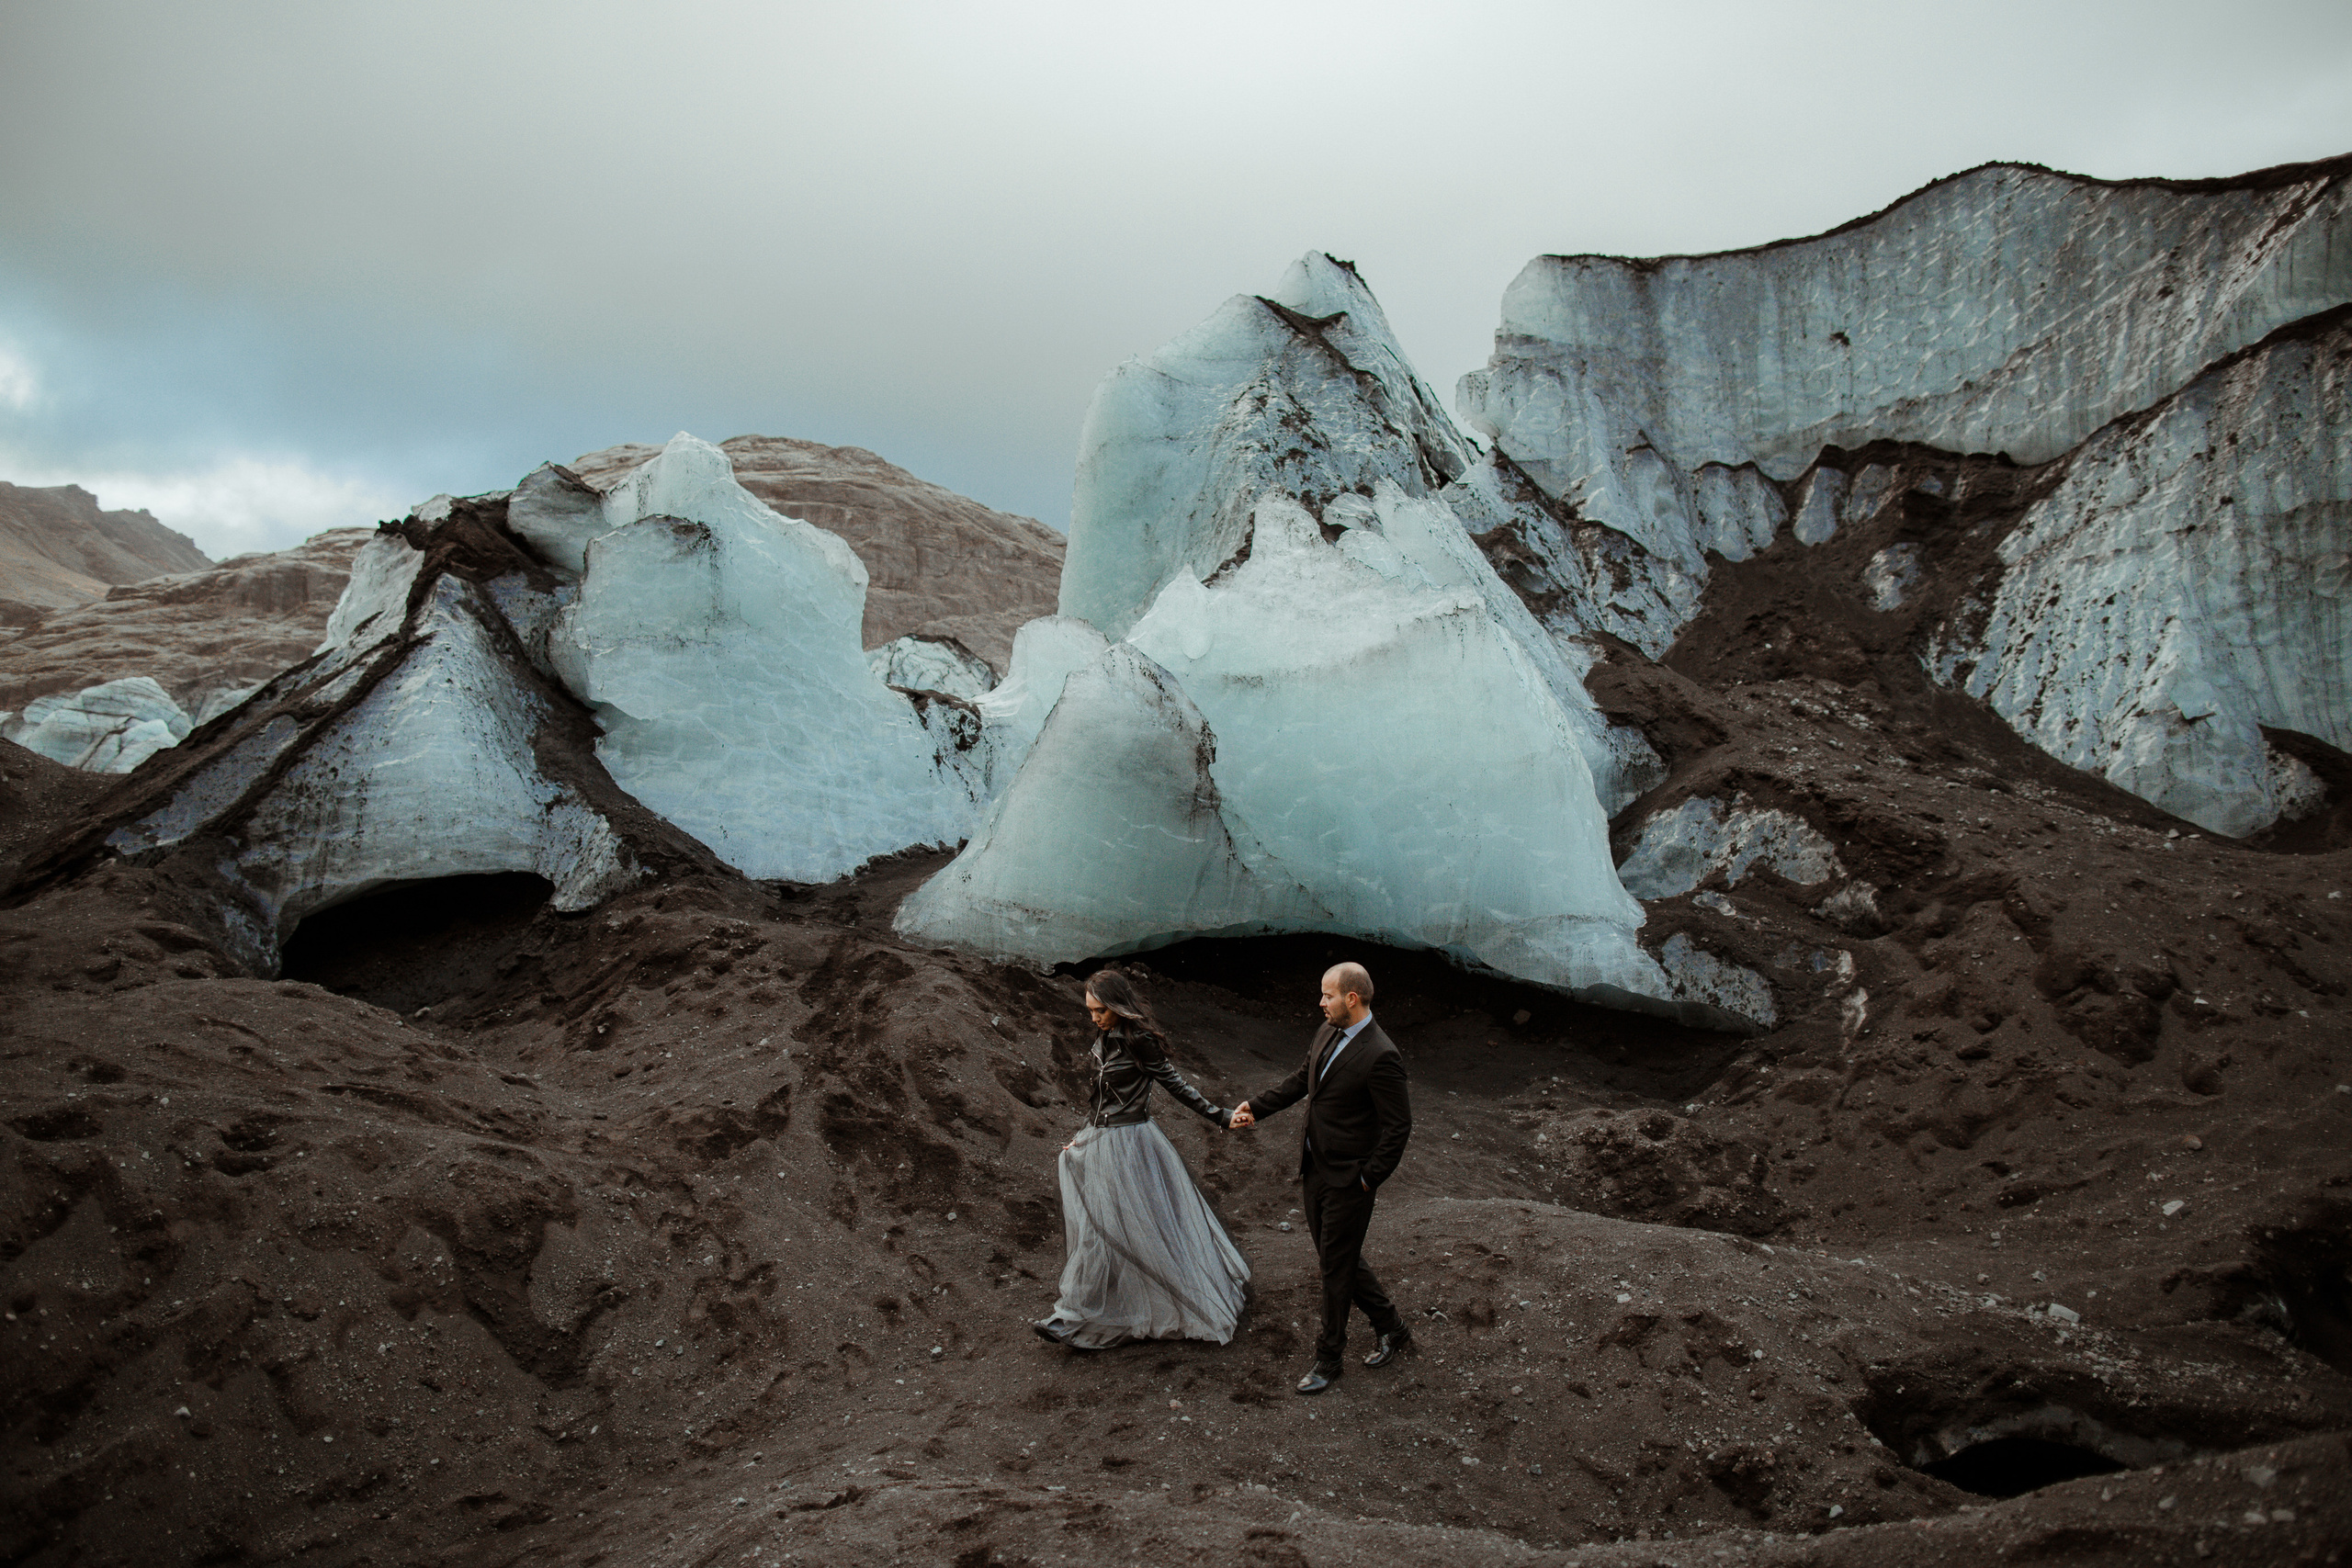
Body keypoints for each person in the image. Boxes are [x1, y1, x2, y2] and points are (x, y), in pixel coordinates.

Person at [1034, 969, 1250, 1350]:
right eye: (1090, 1011)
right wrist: (1082, 1138)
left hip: (1133, 1145)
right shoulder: (1103, 1036)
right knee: (1099, 1228)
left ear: (1118, 1006)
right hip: (1102, 1141)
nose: (1094, 1018)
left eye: (1100, 1010)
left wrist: (1222, 1115)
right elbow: (1098, 1100)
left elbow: (1174, 1083)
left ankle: (1080, 1315)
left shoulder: (1140, 1041)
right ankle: (1075, 1315)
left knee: (1135, 1228)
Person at [1227, 961, 1411, 1393]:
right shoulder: (1327, 1030)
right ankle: (1392, 1326)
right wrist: (1256, 1106)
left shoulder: (1382, 1055)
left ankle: (1329, 1358)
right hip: (1315, 1168)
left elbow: (1398, 1127)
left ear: (1352, 998)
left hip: (1350, 1180)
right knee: (1338, 1259)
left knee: (1334, 1268)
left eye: (1328, 995)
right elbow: (1302, 1079)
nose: (1321, 1002)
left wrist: (1369, 1179)